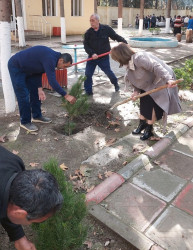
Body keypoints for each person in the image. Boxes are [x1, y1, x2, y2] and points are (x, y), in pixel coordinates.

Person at [110, 43, 181, 140]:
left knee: (153, 103)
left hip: (161, 79)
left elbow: (156, 67)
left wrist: (169, 79)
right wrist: (135, 92)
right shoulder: (128, 63)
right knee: (144, 101)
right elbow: (135, 79)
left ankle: (149, 129)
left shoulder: (140, 58)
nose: (116, 60)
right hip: (148, 82)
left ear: (121, 56)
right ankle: (142, 124)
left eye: (116, 58)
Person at [0, 145, 63, 250]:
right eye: (32, 221)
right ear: (19, 213)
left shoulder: (15, 163)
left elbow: (8, 202)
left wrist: (19, 237)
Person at [8, 46, 76, 132]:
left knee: (36, 93)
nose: (64, 68)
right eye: (65, 66)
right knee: (23, 95)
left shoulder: (53, 59)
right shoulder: (50, 59)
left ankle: (37, 116)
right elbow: (52, 81)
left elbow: (38, 71)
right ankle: (25, 122)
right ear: (61, 60)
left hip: (30, 70)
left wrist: (40, 89)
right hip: (16, 66)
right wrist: (66, 95)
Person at [83, 13, 128, 95]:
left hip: (103, 57)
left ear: (98, 20)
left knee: (108, 72)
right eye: (90, 21)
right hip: (92, 58)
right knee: (87, 74)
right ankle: (88, 91)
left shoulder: (106, 29)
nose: (91, 22)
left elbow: (115, 36)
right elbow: (86, 46)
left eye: (93, 20)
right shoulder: (88, 33)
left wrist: (125, 42)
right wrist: (92, 53)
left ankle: (115, 84)